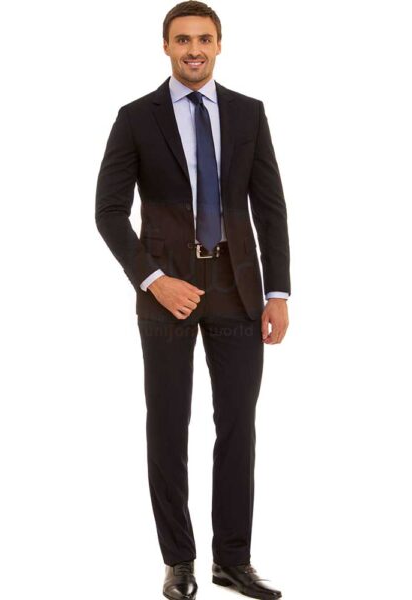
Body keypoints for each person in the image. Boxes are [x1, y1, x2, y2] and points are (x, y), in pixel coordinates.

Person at [95, 2, 290, 598]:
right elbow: (108, 212)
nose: (194, 50)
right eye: (183, 40)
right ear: (166, 47)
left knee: (237, 425)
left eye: (204, 39)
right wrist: (154, 279)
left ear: (219, 44)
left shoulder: (249, 113)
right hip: (166, 293)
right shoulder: (136, 117)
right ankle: (178, 561)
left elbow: (270, 208)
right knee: (167, 424)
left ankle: (233, 559)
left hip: (238, 288)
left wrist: (278, 291)